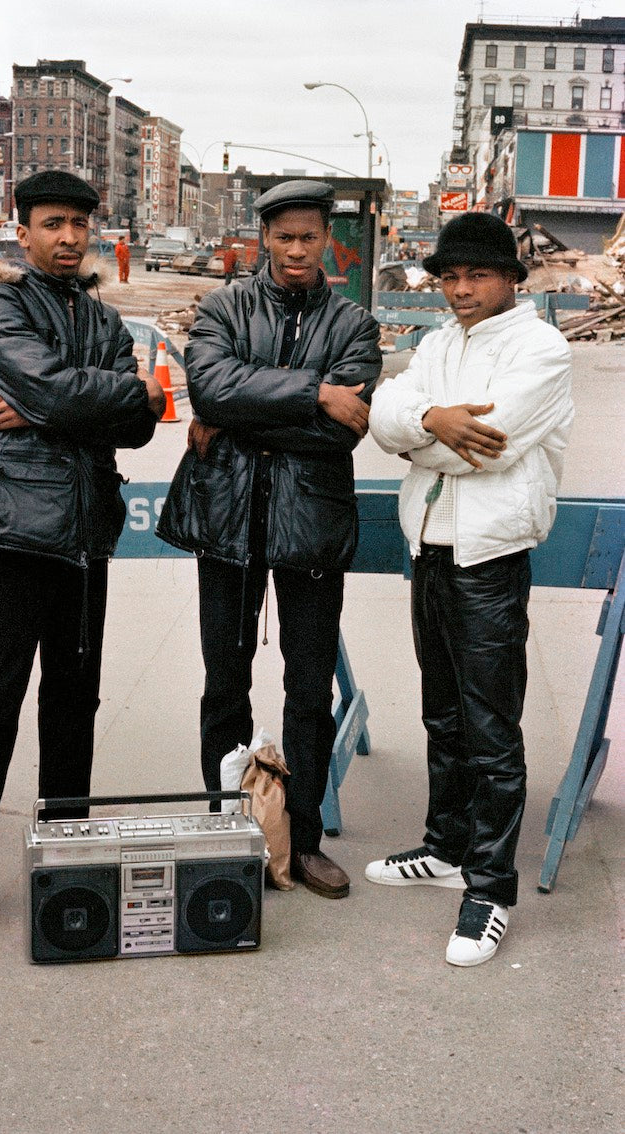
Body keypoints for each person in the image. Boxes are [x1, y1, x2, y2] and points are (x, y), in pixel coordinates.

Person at [0, 170, 165, 947]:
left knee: (75, 702)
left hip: (87, 535)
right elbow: (75, 390)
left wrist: (43, 405)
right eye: (53, 223)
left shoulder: (100, 316)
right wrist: (89, 395)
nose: (69, 238)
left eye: (79, 225)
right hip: (18, 530)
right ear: (22, 229)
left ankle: (64, 851)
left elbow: (139, 420)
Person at [157, 180, 381, 899]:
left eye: (308, 237)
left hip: (308, 524)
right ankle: (229, 828)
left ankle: (305, 839)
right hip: (226, 520)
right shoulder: (224, 306)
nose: (294, 250)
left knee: (307, 688)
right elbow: (211, 391)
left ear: (326, 241)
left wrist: (246, 407)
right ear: (264, 237)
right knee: (225, 683)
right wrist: (313, 392)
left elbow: (339, 430)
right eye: (283, 237)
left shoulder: (354, 322)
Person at [366, 212, 573, 966]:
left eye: (476, 275)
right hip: (432, 546)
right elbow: (382, 420)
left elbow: (491, 447)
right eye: (449, 276)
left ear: (511, 278)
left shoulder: (541, 348)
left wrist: (427, 439)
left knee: (491, 729)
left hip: (490, 555)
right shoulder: (436, 344)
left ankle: (489, 888)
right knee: (442, 713)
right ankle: (448, 846)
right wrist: (428, 418)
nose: (459, 289)